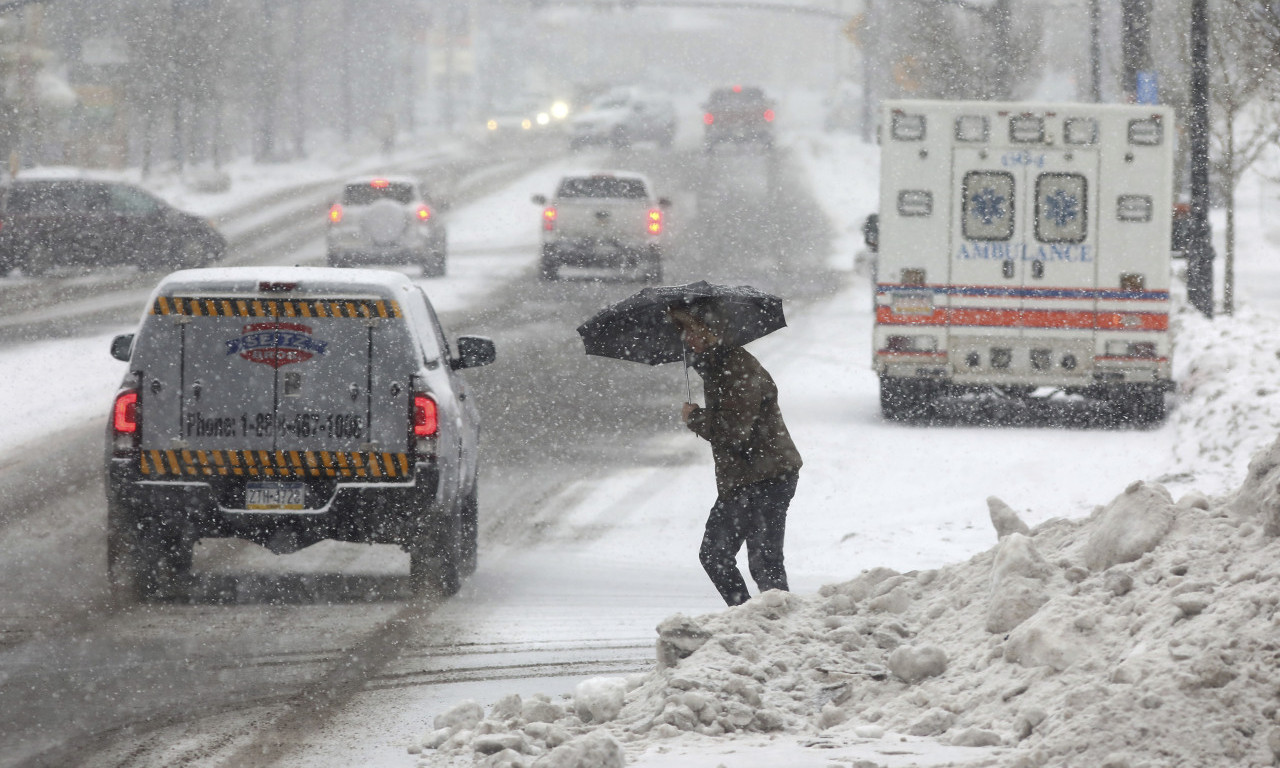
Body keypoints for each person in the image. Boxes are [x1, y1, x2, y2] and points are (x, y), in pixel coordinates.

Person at [669, 301, 802, 607]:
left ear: (710, 330)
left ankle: (773, 623)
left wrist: (695, 418)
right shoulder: (718, 366)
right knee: (727, 556)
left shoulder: (737, 367)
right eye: (683, 330)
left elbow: (734, 430)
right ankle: (755, 620)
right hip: (748, 476)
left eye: (692, 329)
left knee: (758, 560)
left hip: (766, 475)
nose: (687, 338)